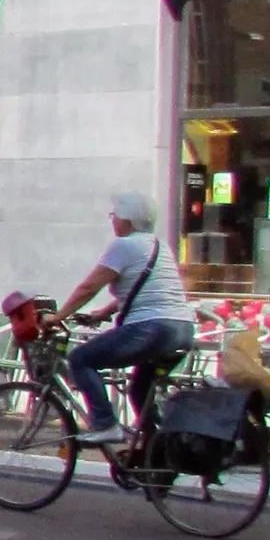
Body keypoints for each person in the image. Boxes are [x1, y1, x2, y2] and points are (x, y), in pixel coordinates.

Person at [60, 190, 195, 443]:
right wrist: (105, 312)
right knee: (140, 388)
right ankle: (158, 447)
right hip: (183, 330)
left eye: (114, 215)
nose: (112, 220)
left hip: (151, 329)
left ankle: (105, 425)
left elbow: (89, 287)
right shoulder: (159, 245)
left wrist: (58, 316)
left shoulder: (124, 245)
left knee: (81, 359)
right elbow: (145, 288)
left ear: (127, 220)